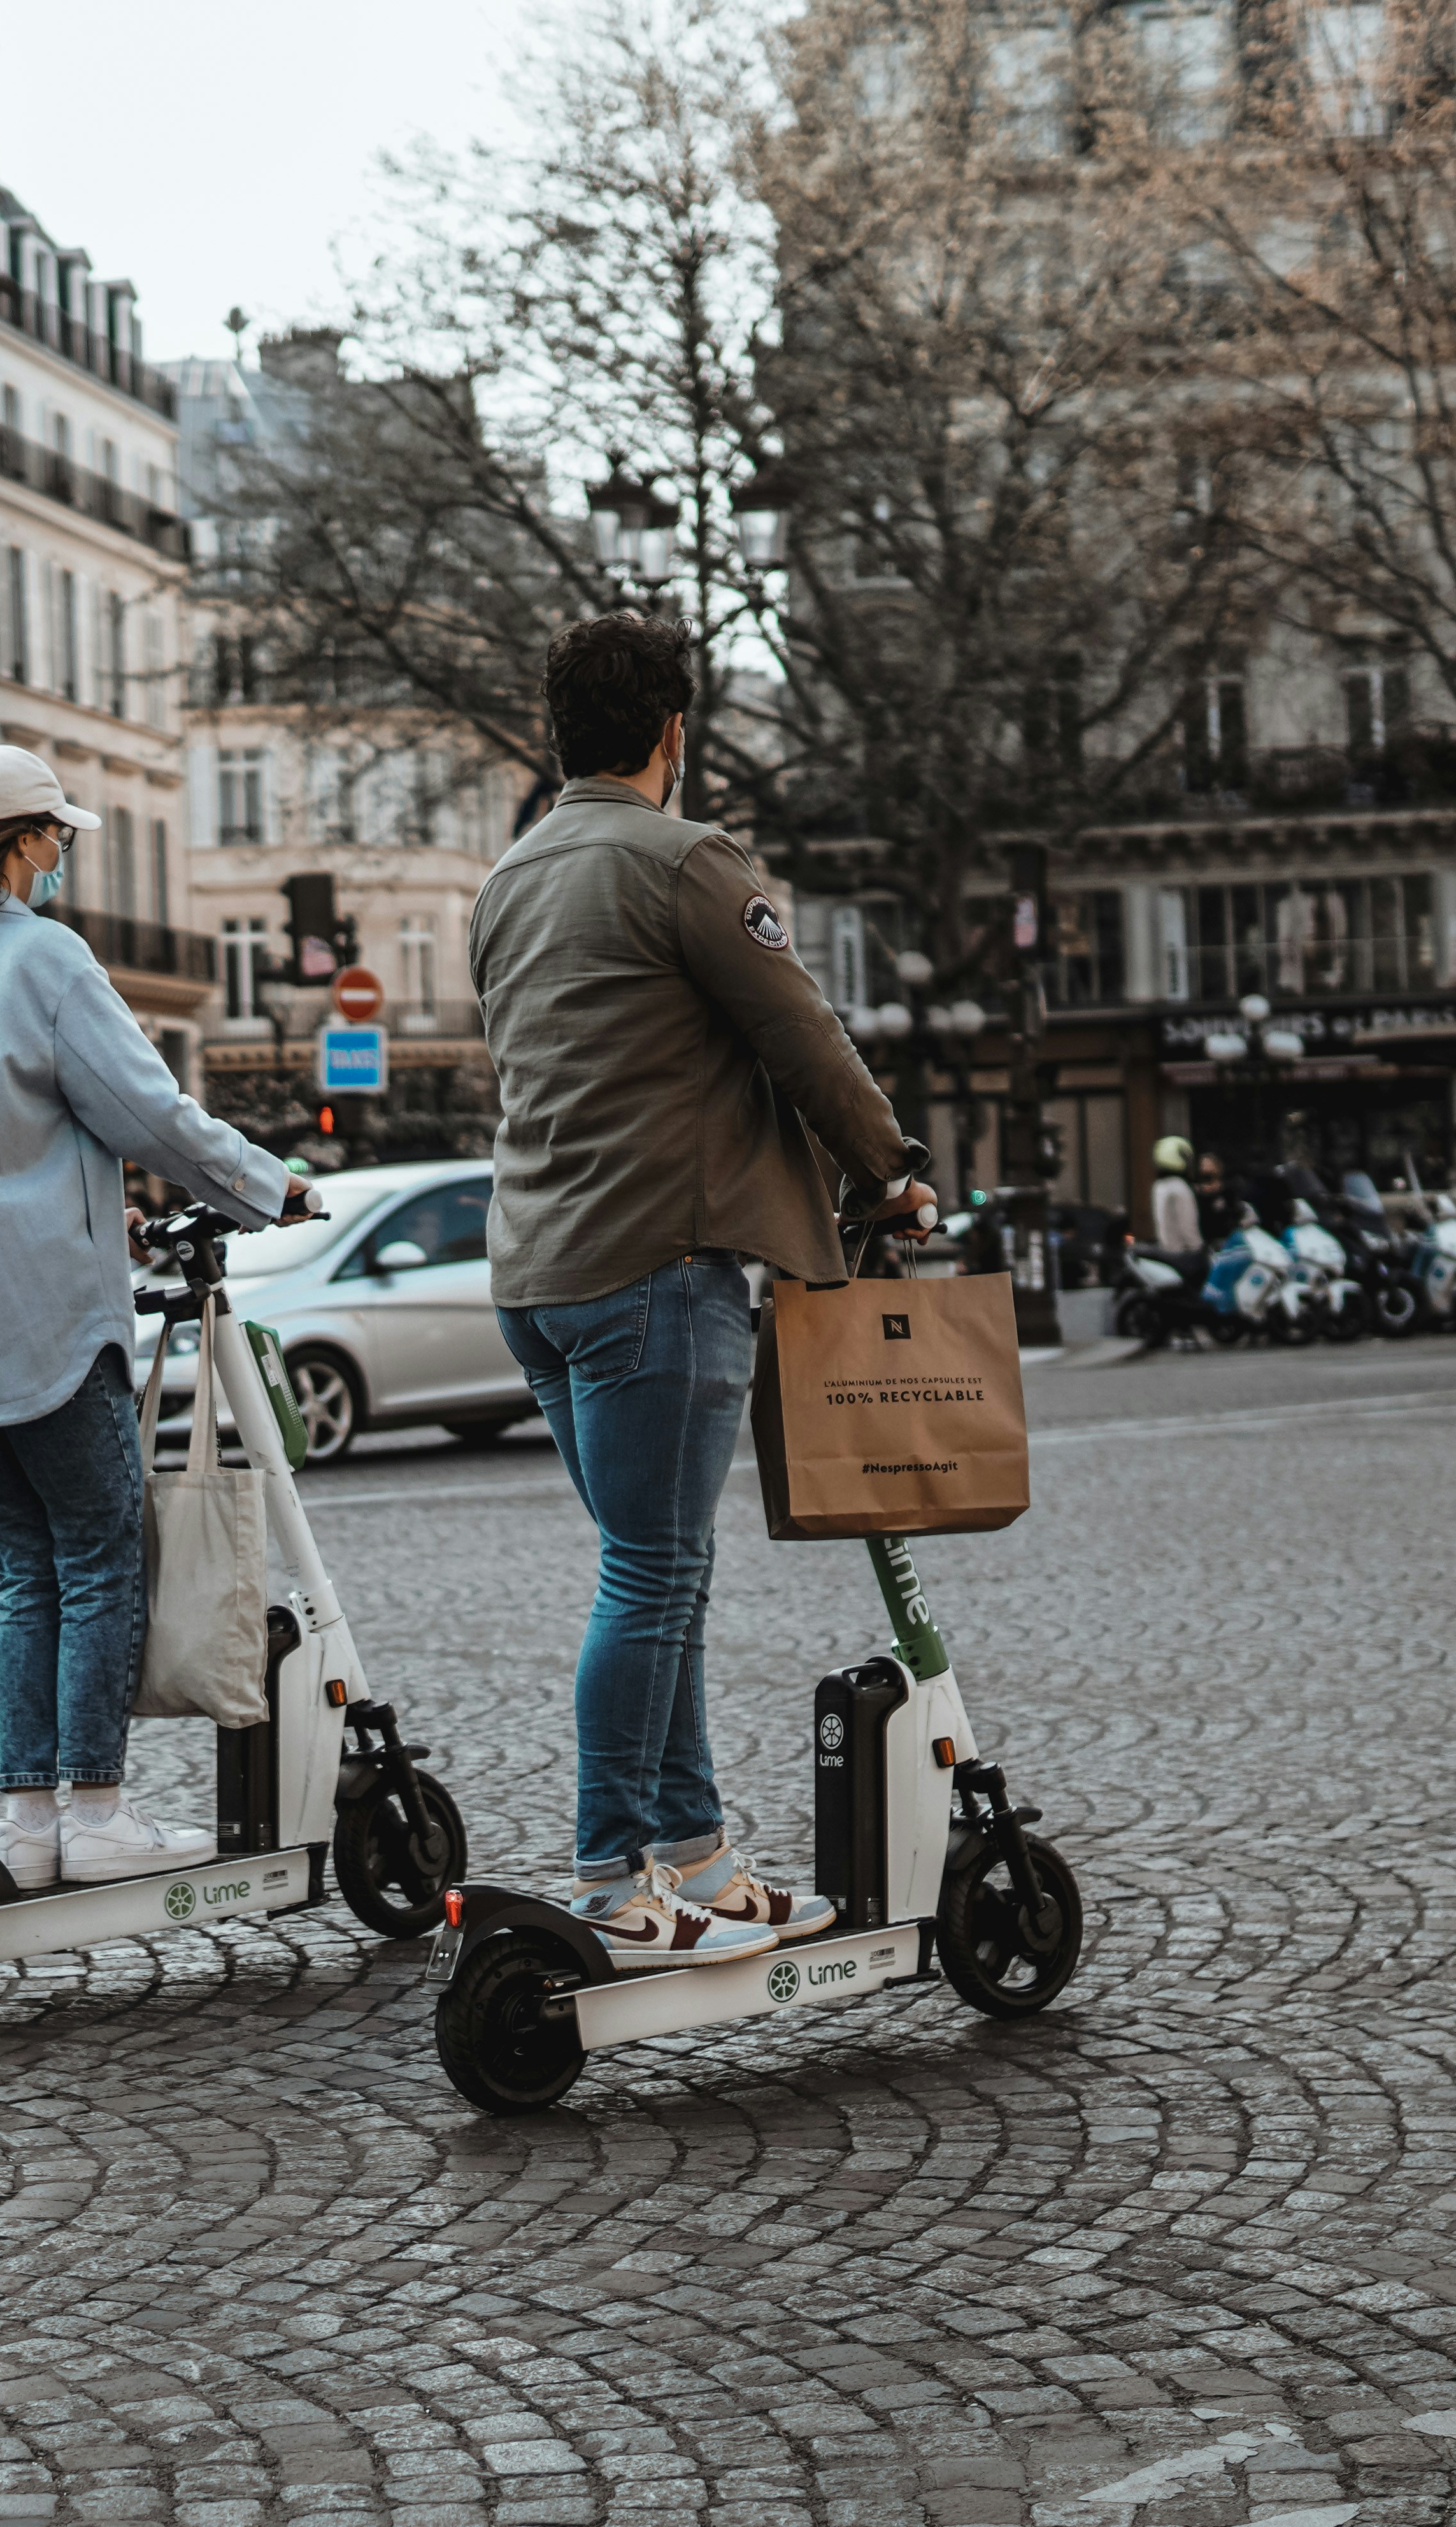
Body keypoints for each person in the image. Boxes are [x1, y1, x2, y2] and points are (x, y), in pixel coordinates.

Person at [469, 611, 935, 1971]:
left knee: (656, 1572)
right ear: (677, 730)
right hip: (655, 1265)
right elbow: (801, 1033)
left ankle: (698, 1858)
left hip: (538, 1274)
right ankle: (615, 1869)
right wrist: (887, 1166)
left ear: (558, 731)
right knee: (653, 1570)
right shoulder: (683, 860)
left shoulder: (509, 877)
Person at [0, 741, 310, 1889]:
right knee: (102, 1555)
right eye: (55, 837)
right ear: (20, 844)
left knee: (26, 1568)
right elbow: (145, 1114)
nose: (62, 858)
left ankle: (30, 1826)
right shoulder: (40, 960)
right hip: (38, 1316)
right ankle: (101, 1814)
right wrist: (272, 1186)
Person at [1148, 1136, 1206, 1288]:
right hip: (1185, 1257)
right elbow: (1188, 1227)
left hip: (1166, 1252)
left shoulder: (1159, 1186)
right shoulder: (1179, 1187)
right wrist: (1200, 1248)